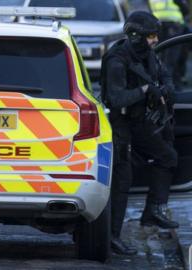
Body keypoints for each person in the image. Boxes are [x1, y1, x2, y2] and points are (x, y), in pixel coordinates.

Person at [100, 11, 179, 256]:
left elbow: (163, 73)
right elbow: (115, 98)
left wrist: (166, 88)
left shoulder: (147, 54)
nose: (155, 40)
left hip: (140, 122)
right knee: (123, 179)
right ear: (136, 37)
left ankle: (153, 212)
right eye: (151, 36)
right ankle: (112, 236)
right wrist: (145, 90)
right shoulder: (117, 59)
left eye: (156, 36)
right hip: (121, 123)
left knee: (168, 158)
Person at [148, 0, 189, 90]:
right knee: (172, 58)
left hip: (158, 24)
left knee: (160, 56)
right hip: (174, 24)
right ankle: (171, 88)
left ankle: (161, 86)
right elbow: (185, 9)